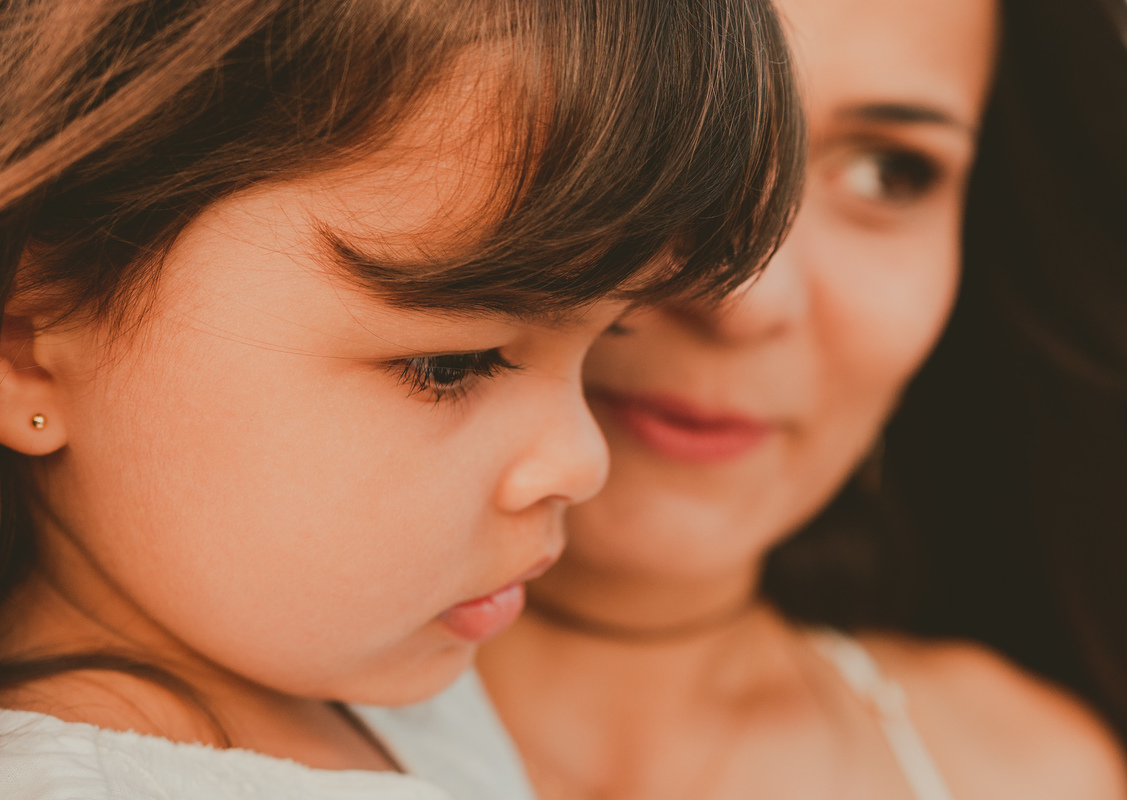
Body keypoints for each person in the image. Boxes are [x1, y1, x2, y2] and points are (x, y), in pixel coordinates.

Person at [0, 1, 803, 798]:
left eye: (609, 339)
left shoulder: (366, 683)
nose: (581, 462)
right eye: (450, 367)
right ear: (29, 349)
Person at [479, 0, 1127, 797]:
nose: (745, 297)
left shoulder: (1029, 773)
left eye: (889, 172)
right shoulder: (315, 745)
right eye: (642, 131)